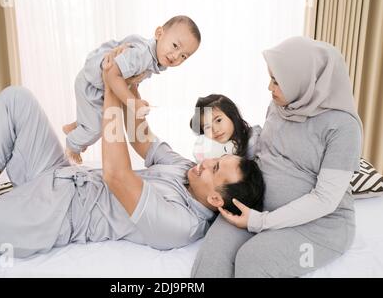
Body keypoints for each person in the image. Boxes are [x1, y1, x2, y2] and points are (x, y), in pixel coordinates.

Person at [0, 51, 264, 277]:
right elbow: (141, 137)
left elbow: (116, 174)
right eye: (216, 159)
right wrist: (127, 83)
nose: (207, 163)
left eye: (216, 169)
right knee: (15, 99)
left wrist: (110, 91)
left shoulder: (180, 223)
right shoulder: (185, 170)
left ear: (218, 200)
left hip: (54, 214)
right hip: (62, 176)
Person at [191, 36, 363, 278]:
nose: (269, 88)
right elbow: (262, 151)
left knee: (254, 260)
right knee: (213, 254)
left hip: (320, 226)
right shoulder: (281, 105)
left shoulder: (343, 128)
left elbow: (326, 199)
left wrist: (260, 222)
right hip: (258, 204)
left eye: (276, 81)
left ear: (304, 80)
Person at [62, 15, 201, 164]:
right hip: (91, 84)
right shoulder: (143, 54)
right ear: (159, 33)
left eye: (183, 56)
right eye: (175, 46)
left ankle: (76, 126)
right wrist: (134, 103)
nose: (176, 56)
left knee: (97, 118)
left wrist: (136, 97)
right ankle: (73, 145)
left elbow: (130, 79)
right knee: (97, 128)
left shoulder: (156, 58)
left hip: (96, 85)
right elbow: (111, 73)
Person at [189, 94, 261, 162]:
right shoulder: (208, 152)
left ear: (232, 115)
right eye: (207, 127)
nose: (215, 130)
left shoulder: (254, 139)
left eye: (218, 120)